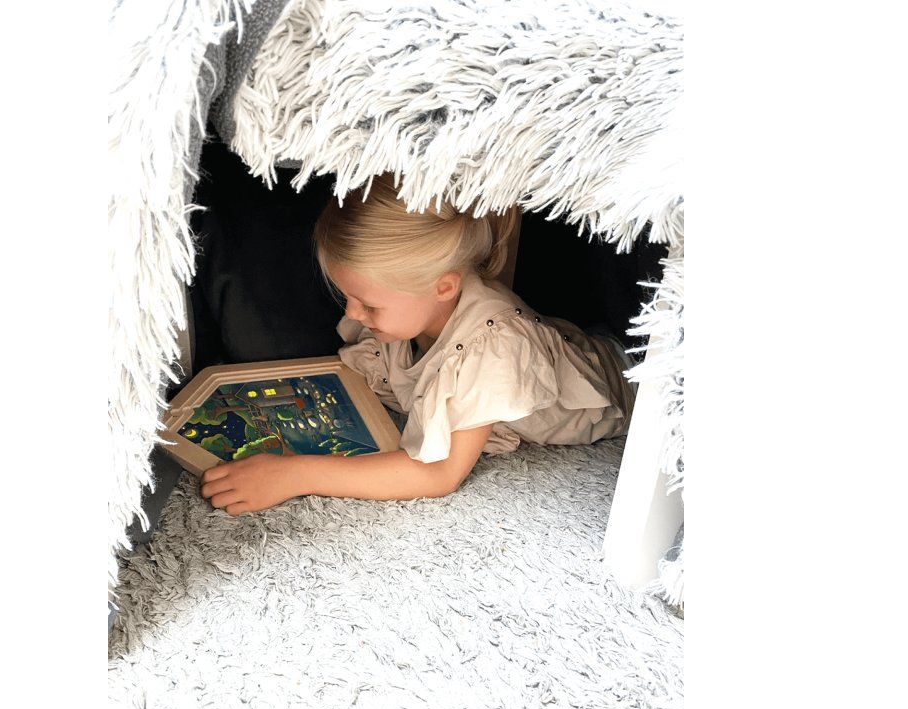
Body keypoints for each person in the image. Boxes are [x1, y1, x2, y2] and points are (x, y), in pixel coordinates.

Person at [200, 174, 636, 515]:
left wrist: (293, 475)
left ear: (443, 287)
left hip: (627, 382)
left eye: (369, 304)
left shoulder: (492, 349)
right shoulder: (416, 310)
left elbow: (439, 474)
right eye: (347, 297)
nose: (352, 314)